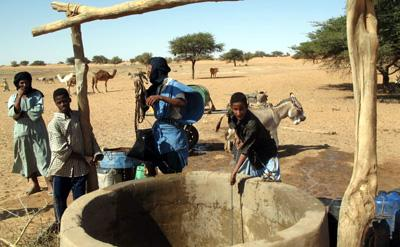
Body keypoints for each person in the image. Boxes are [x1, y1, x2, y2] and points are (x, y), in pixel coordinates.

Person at [47, 88, 102, 222]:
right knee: (60, 201)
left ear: (70, 99)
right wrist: (84, 157)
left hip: (80, 170)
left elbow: (89, 136)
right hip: (61, 170)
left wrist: (96, 152)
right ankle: (61, 227)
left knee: (79, 203)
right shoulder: (54, 124)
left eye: (65, 101)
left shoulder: (79, 117)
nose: (63, 104)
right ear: (55, 103)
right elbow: (61, 150)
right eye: (59, 102)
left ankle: (79, 227)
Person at [144, 57, 204, 174]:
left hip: (173, 135)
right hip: (160, 133)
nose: (148, 73)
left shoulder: (174, 85)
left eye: (150, 70)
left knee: (173, 170)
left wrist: (161, 97)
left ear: (157, 70)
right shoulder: (156, 87)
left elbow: (181, 102)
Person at [7, 71, 52, 195]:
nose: (24, 85)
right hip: (21, 132)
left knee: (43, 156)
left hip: (37, 130)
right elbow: (12, 114)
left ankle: (49, 185)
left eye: (26, 82)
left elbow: (37, 112)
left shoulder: (37, 95)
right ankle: (35, 185)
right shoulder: (12, 97)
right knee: (27, 158)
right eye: (21, 82)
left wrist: (21, 113)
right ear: (17, 84)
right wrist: (19, 98)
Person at [228, 92, 280, 185]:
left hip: (267, 155)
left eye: (241, 109)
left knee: (272, 185)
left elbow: (245, 151)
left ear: (247, 107)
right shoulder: (231, 113)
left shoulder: (252, 124)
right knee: (250, 184)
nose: (238, 113)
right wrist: (237, 135)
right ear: (231, 107)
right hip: (253, 155)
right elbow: (233, 124)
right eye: (235, 109)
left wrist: (234, 172)